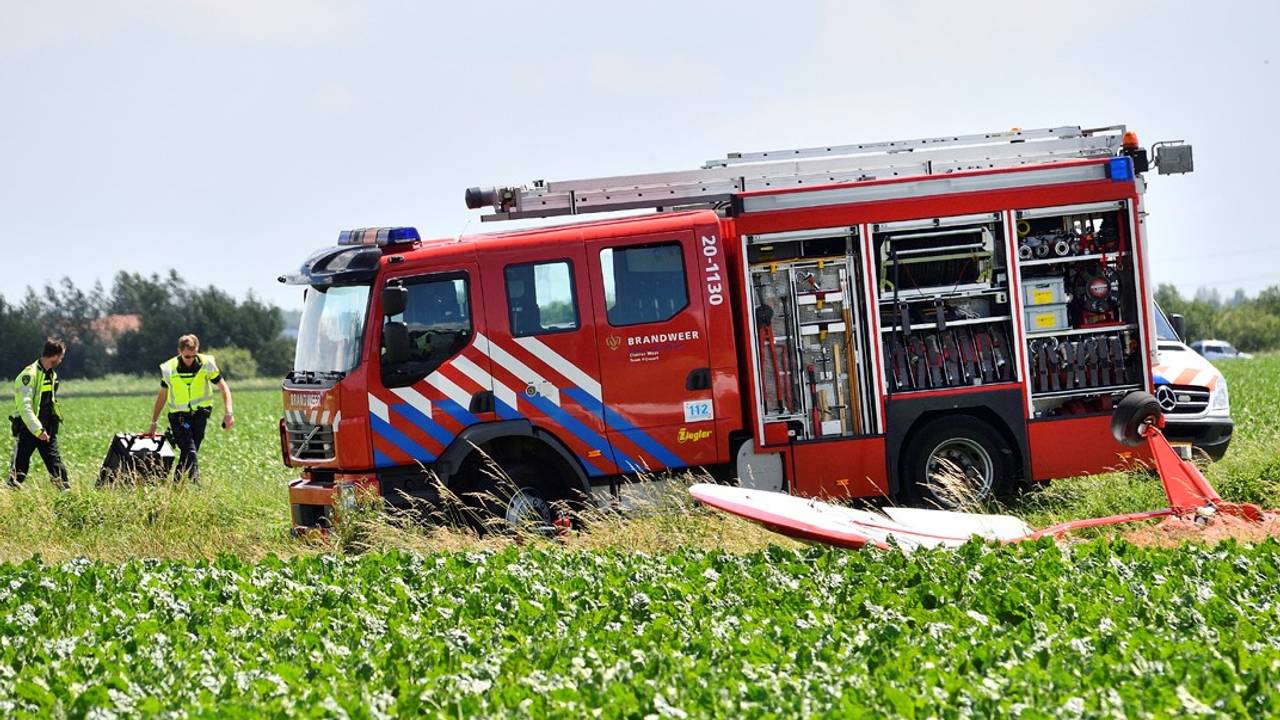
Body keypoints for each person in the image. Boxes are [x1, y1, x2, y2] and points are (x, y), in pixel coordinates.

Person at [147, 335, 235, 482]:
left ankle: (176, 486)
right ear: (179, 351)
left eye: (193, 356)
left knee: (188, 454)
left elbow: (223, 387)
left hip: (200, 415)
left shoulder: (206, 364)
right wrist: (154, 423)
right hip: (179, 417)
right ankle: (196, 483)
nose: (190, 360)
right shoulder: (169, 368)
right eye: (187, 356)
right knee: (190, 450)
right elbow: (162, 396)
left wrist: (229, 413)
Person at [8, 339, 70, 489]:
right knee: (19, 471)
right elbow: (25, 407)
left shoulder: (51, 375)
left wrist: (48, 428)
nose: (61, 360)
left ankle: (67, 498)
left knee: (57, 468)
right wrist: (37, 429)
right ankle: (7, 500)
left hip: (47, 430)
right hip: (29, 430)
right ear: (54, 356)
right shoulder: (28, 375)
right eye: (61, 357)